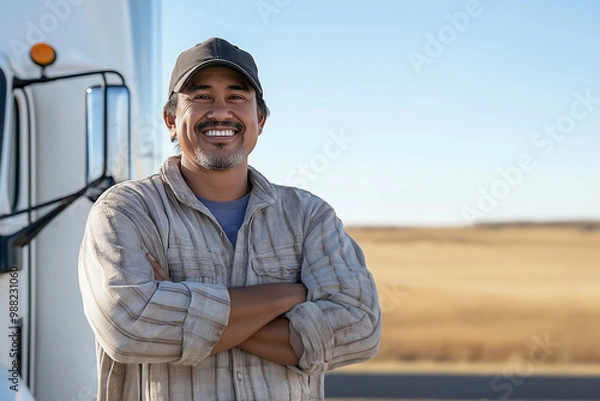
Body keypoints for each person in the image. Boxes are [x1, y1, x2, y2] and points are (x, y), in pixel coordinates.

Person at [78, 37, 381, 401]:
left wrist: (179, 297)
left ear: (260, 120)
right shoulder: (125, 211)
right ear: (171, 120)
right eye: (201, 96)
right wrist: (292, 295)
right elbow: (128, 329)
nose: (220, 112)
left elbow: (359, 331)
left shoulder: (309, 216)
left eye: (236, 97)